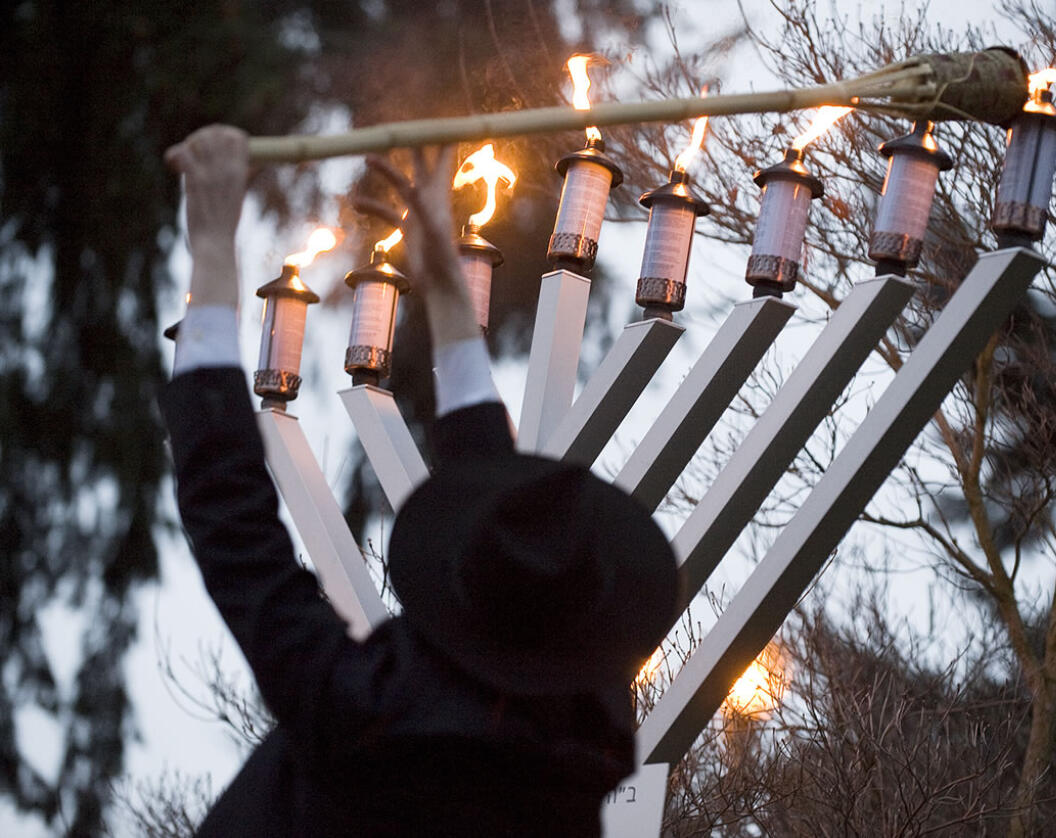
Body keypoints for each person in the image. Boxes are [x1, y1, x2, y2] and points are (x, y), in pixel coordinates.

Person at [160, 125, 678, 837]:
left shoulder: (364, 715)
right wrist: (444, 286)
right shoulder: (582, 749)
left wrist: (213, 248)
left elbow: (235, 520)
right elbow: (503, 522)